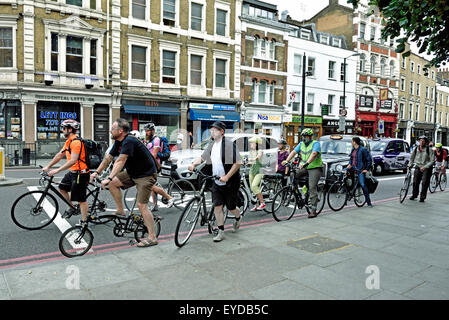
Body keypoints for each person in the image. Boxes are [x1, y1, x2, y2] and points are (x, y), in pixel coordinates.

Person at [90, 118, 159, 247]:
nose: (110, 130)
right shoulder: (118, 141)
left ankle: (152, 237)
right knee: (112, 184)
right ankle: (120, 210)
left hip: (146, 174)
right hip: (132, 172)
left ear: (120, 131)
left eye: (112, 128)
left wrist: (109, 177)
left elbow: (120, 161)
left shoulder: (129, 141)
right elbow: (108, 159)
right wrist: (97, 172)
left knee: (141, 205)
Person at [188, 121, 243, 242]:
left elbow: (238, 162)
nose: (211, 131)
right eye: (211, 129)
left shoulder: (228, 145)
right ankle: (221, 231)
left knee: (231, 207)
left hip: (230, 182)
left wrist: (227, 177)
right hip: (216, 181)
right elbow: (203, 157)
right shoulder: (212, 145)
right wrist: (193, 164)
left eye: (214, 129)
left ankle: (238, 218)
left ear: (222, 132)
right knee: (217, 206)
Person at [42, 119, 90, 223]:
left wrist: (56, 170)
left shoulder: (76, 142)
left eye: (64, 128)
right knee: (62, 188)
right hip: (72, 172)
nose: (62, 130)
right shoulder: (69, 142)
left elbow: (73, 161)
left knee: (81, 199)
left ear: (70, 129)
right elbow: (60, 155)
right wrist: (48, 166)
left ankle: (84, 222)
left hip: (80, 173)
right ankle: (72, 208)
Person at [282, 128, 323, 218]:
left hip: (315, 167)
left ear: (310, 137)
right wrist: (287, 160)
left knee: (312, 187)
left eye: (306, 136)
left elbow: (314, 153)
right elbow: (293, 152)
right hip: (304, 167)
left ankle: (313, 210)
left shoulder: (315, 143)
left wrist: (306, 163)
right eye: (303, 136)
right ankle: (295, 193)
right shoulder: (301, 144)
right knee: (293, 173)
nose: (304, 138)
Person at [144, 122, 174, 211]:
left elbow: (154, 155)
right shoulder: (149, 140)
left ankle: (169, 198)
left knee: (150, 186)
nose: (146, 132)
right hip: (150, 164)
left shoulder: (156, 140)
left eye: (148, 131)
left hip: (154, 165)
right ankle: (155, 205)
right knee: (152, 185)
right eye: (145, 131)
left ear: (153, 131)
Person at [346, 137, 373, 208]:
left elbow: (369, 159)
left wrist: (366, 169)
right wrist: (349, 164)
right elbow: (351, 159)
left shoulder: (363, 149)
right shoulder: (353, 149)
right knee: (343, 173)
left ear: (355, 142)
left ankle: (368, 202)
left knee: (362, 184)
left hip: (360, 170)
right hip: (353, 168)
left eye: (352, 141)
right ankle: (344, 188)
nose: (351, 143)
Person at [409, 136, 435, 202]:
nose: (421, 142)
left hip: (426, 168)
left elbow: (432, 161)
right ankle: (414, 195)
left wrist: (425, 167)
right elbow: (411, 158)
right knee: (415, 182)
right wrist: (409, 165)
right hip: (418, 166)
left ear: (426, 142)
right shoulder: (415, 149)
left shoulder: (429, 150)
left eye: (423, 141)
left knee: (424, 182)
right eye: (420, 141)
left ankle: (422, 197)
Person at [247, 136, 266, 211]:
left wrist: (253, 159)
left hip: (259, 171)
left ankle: (262, 203)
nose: (251, 144)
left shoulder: (260, 151)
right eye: (251, 143)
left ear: (256, 144)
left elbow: (258, 157)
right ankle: (256, 205)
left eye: (252, 143)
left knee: (254, 186)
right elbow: (249, 162)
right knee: (252, 189)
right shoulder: (251, 152)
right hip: (252, 171)